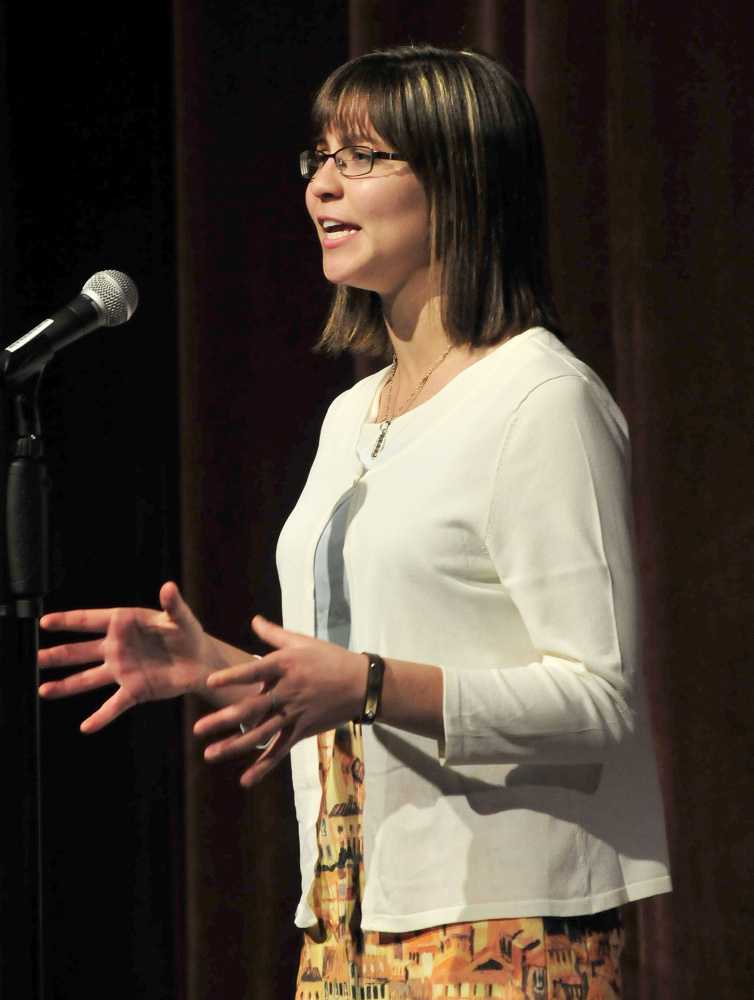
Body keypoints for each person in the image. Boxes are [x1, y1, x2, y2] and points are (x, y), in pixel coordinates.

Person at [39, 45, 671, 999]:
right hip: (347, 916)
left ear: (461, 180)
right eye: (318, 159)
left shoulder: (542, 399)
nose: (323, 187)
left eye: (364, 159)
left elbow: (599, 702)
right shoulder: (355, 413)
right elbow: (353, 672)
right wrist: (218, 667)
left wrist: (370, 684)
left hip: (504, 925)